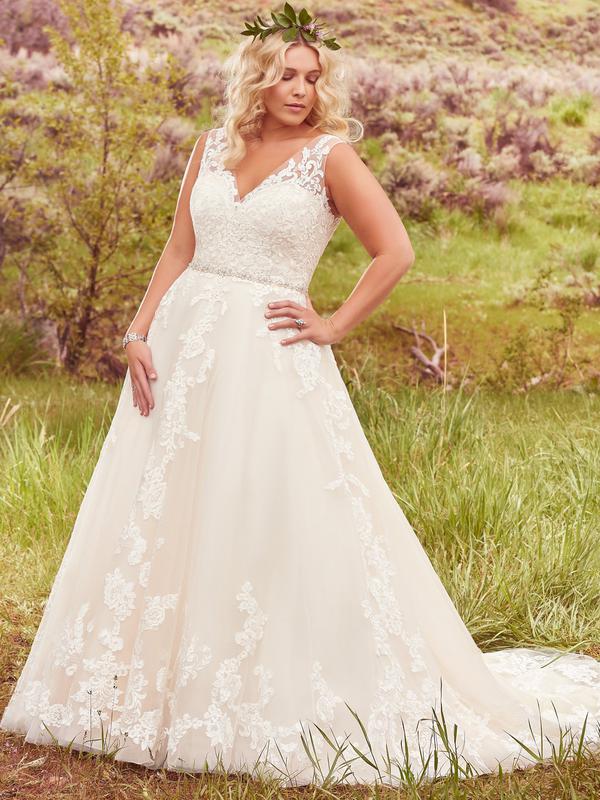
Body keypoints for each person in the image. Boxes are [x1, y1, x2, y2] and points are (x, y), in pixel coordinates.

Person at [2, 4, 599, 789]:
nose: (300, 89)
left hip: (271, 360)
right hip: (184, 351)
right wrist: (138, 329)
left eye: (313, 77)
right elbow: (180, 247)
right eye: (286, 74)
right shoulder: (210, 146)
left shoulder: (331, 156)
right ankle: (144, 693)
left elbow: (395, 250)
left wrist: (334, 324)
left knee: (262, 510)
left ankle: (259, 691)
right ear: (255, 77)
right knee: (168, 509)